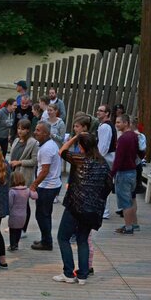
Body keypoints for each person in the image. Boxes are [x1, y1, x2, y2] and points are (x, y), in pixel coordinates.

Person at [55, 133, 110, 284]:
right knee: (83, 239)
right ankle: (83, 275)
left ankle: (68, 273)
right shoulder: (103, 163)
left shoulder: (79, 159)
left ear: (81, 146)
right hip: (92, 209)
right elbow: (108, 186)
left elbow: (61, 151)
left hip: (75, 205)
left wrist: (75, 137)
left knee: (63, 237)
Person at [30, 122, 62, 251]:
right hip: (51, 185)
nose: (35, 132)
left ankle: (47, 242)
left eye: (38, 130)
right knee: (45, 214)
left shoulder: (46, 148)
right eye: (35, 129)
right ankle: (45, 239)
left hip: (47, 186)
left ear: (46, 133)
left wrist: (34, 185)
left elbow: (45, 170)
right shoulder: (48, 145)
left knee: (42, 215)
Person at [112, 114, 142, 235]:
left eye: (119, 122)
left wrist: (112, 173)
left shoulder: (123, 138)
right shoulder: (135, 136)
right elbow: (142, 152)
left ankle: (128, 227)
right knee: (132, 198)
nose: (116, 124)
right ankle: (134, 224)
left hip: (124, 173)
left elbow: (118, 158)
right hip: (132, 171)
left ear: (126, 123)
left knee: (125, 202)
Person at [9, 119, 39, 235]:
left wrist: (20, 162)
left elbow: (35, 160)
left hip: (24, 176)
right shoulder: (16, 140)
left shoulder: (33, 143)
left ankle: (23, 228)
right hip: (13, 175)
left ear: (28, 130)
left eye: (23, 129)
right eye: (18, 128)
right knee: (14, 202)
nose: (20, 131)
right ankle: (15, 226)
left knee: (23, 204)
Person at [96, 104, 117, 219]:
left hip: (106, 158)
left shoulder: (105, 127)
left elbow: (103, 147)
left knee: (104, 184)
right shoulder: (105, 125)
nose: (98, 112)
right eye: (98, 110)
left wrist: (97, 159)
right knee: (105, 183)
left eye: (101, 111)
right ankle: (103, 210)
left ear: (107, 113)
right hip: (108, 157)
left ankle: (104, 211)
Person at [8, 172, 37, 251]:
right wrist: (33, 189)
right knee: (19, 230)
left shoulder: (12, 191)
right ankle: (16, 244)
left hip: (14, 215)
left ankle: (12, 245)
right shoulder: (27, 190)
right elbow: (35, 196)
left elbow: (10, 203)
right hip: (23, 215)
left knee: (12, 231)